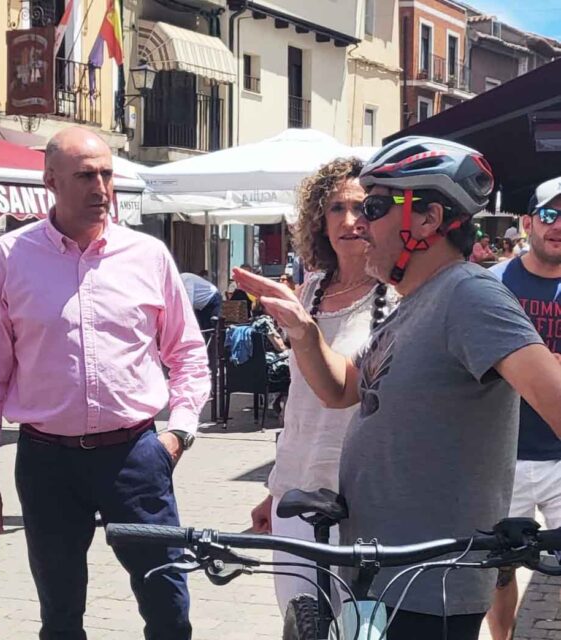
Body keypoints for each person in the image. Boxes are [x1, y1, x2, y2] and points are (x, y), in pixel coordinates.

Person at [233, 136, 561, 639]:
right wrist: (302, 329)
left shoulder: (469, 296)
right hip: (381, 573)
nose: (359, 223)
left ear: (428, 219)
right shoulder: (414, 304)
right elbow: (344, 388)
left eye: (376, 206)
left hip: (431, 584)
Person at [0, 126, 210, 640]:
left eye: (106, 174)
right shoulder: (11, 256)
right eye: (84, 176)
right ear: (50, 180)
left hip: (136, 455)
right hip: (47, 461)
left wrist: (178, 434)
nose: (100, 188)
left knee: (168, 606)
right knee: (60, 614)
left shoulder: (148, 255)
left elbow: (187, 354)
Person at [248, 156, 398, 614]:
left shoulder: (398, 296)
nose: (350, 221)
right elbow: (300, 403)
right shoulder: (310, 289)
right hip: (296, 491)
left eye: (363, 207)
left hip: (359, 500)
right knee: (301, 619)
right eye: (336, 208)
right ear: (319, 220)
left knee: (356, 622)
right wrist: (275, 488)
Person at [486, 178, 561, 640]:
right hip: (501, 455)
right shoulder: (492, 283)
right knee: (500, 567)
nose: (559, 226)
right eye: (551, 215)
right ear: (528, 222)